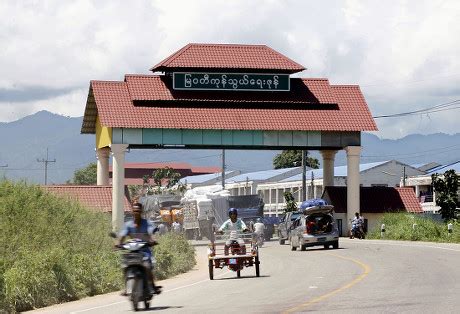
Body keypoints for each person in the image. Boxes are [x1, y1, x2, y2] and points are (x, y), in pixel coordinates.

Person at [119, 202, 162, 295]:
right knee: (125, 266)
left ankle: (152, 286)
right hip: (133, 251)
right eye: (134, 211)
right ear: (132, 212)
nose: (136, 212)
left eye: (138, 211)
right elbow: (122, 236)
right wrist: (118, 244)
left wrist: (153, 240)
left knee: (147, 266)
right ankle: (127, 287)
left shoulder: (147, 223)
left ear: (141, 211)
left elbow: (151, 233)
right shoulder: (128, 225)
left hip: (145, 251)